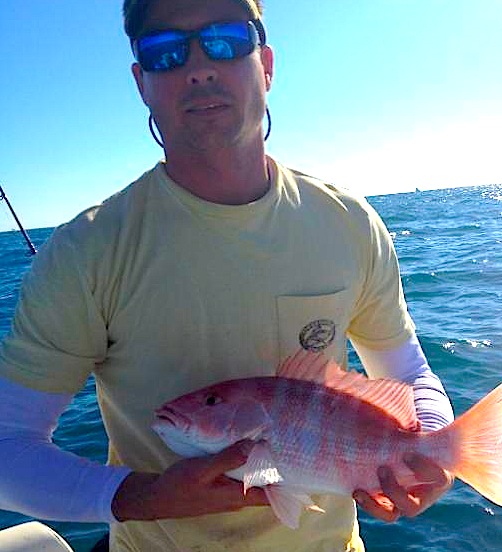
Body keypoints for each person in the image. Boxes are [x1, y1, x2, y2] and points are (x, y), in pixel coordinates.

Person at [0, 0, 454, 550]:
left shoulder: (349, 224)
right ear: (142, 82)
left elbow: (409, 371)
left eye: (225, 40)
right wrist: (142, 496)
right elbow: (8, 446)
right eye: (165, 50)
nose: (198, 66)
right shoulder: (84, 253)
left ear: (265, 65)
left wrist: (436, 448)